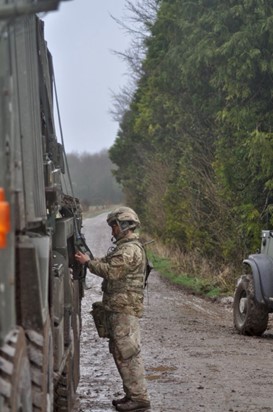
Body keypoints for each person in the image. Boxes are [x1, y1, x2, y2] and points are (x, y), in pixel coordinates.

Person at [75, 206, 151, 412]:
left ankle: (139, 398)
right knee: (120, 352)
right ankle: (132, 396)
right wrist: (91, 260)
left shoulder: (129, 250)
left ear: (124, 226)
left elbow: (111, 271)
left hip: (124, 309)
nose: (112, 231)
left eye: (115, 226)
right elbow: (107, 262)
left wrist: (88, 263)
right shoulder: (125, 247)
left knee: (128, 353)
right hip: (120, 308)